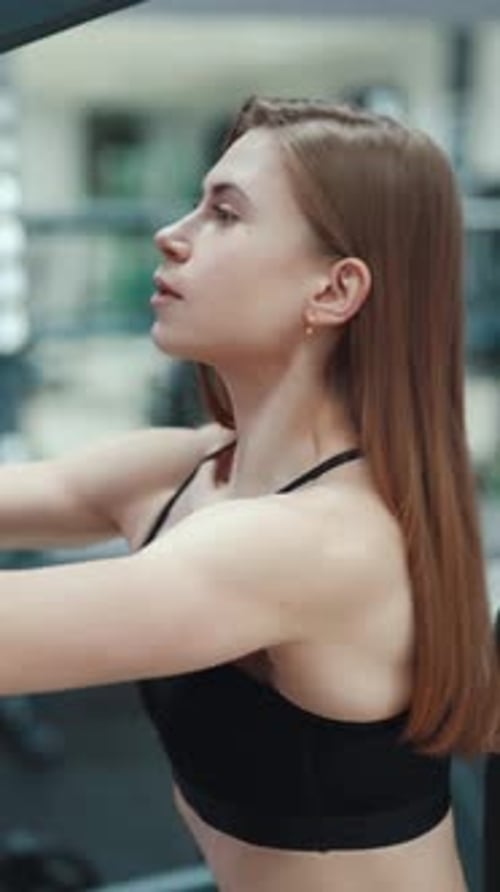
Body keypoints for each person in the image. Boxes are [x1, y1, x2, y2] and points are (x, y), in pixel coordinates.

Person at [0, 95, 498, 892]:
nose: (172, 233)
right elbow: (40, 487)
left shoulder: (310, 543)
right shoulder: (185, 471)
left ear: (335, 292)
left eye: (225, 214)